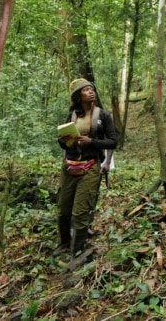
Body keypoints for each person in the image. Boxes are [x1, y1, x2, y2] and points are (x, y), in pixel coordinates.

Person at [54, 78, 117, 258]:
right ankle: (64, 244)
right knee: (63, 210)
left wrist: (92, 142)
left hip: (90, 166)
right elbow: (63, 145)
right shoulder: (72, 114)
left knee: (80, 212)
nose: (91, 92)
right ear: (78, 96)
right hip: (69, 166)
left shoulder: (103, 116)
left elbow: (113, 141)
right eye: (86, 90)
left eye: (92, 89)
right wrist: (64, 140)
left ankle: (77, 251)